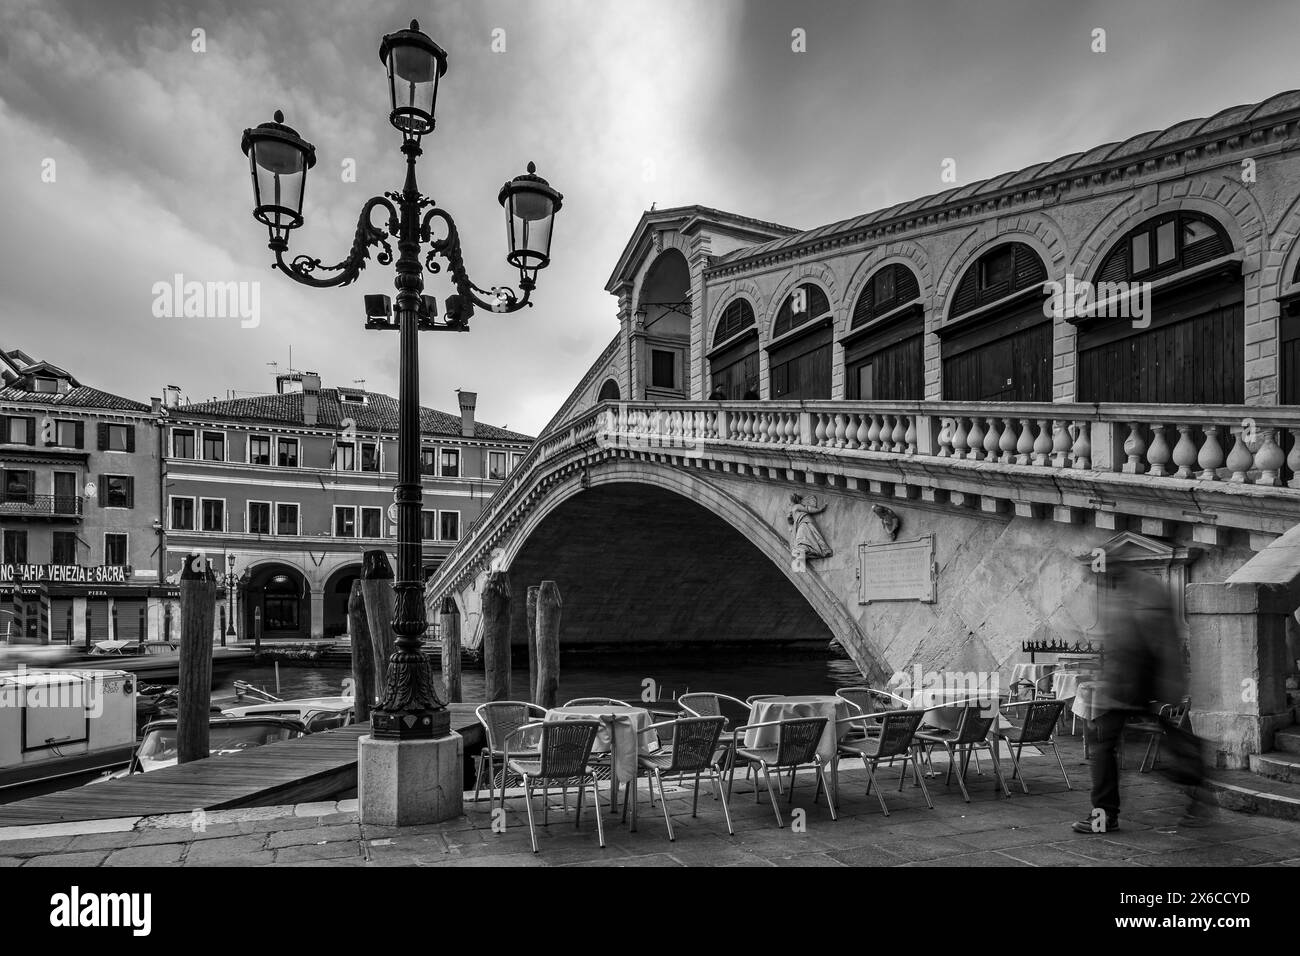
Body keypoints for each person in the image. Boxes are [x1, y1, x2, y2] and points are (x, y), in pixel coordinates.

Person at [1071, 565, 1210, 834]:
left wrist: (1124, 685)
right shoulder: (1128, 590)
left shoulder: (1140, 590)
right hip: (1134, 684)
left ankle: (1105, 815)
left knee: (1104, 746)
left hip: (1134, 684)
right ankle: (1197, 788)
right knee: (1154, 742)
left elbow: (1149, 641)